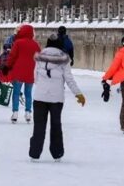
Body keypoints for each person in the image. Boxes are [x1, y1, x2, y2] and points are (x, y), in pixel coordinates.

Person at [29, 34, 85, 162]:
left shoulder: (39, 57)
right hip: (56, 98)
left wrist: (43, 88)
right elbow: (69, 79)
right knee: (56, 125)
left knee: (39, 126)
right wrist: (78, 94)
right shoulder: (64, 59)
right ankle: (57, 153)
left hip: (39, 97)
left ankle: (34, 154)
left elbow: (35, 77)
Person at [5, 24, 40, 123]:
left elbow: (12, 56)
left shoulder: (18, 43)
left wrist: (8, 66)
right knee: (28, 94)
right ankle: (28, 113)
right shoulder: (35, 44)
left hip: (18, 71)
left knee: (16, 93)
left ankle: (15, 113)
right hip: (30, 71)